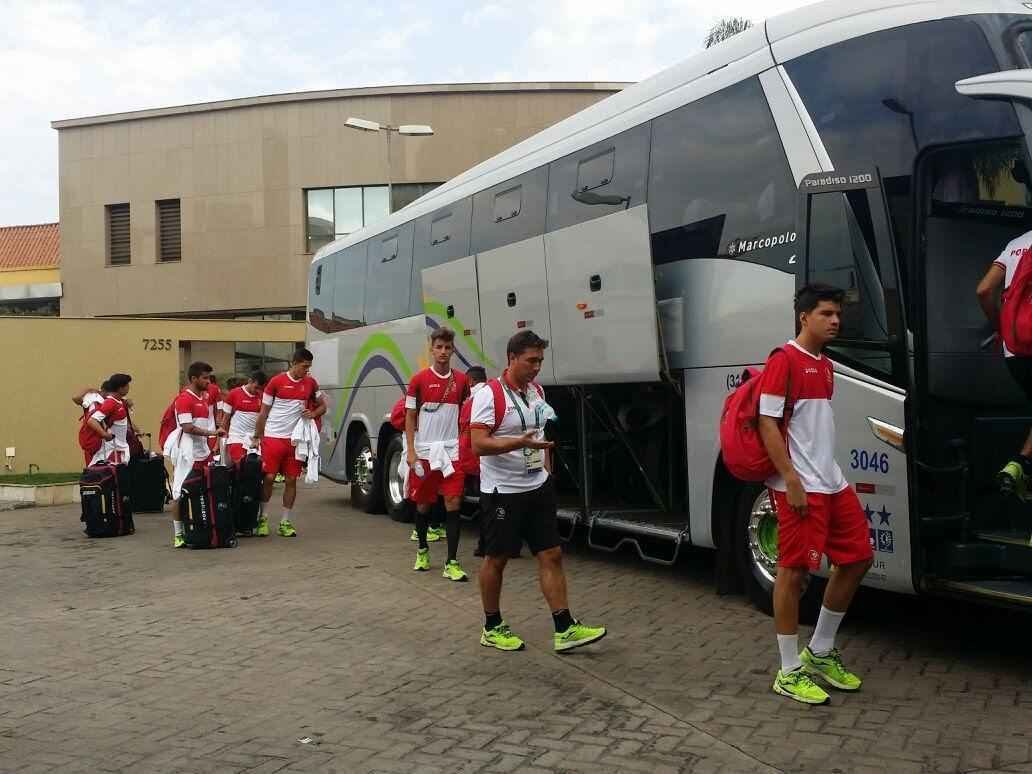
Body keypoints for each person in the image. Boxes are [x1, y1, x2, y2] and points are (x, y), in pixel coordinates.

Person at [758, 283, 874, 705]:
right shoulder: (783, 359)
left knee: (858, 557)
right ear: (804, 317)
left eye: (838, 314)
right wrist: (790, 479)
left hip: (831, 481)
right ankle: (788, 671)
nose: (835, 320)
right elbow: (766, 422)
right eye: (826, 313)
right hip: (801, 486)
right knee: (792, 573)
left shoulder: (824, 365)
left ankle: (820, 650)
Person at [471, 330, 606, 652]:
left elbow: (540, 433)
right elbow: (478, 444)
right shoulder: (489, 395)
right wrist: (517, 443)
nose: (536, 367)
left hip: (536, 486)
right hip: (502, 491)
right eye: (531, 360)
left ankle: (564, 628)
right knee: (497, 559)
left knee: (551, 554)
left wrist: (547, 471)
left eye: (540, 361)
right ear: (512, 358)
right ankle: (492, 626)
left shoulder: (536, 391)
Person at [405, 327, 469, 581]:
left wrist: (465, 444)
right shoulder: (418, 380)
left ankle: (451, 562)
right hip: (425, 452)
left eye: (448, 347)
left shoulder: (462, 381)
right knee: (423, 505)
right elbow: (410, 416)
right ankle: (422, 549)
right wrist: (411, 451)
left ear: (453, 350)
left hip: (451, 452)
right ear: (431, 348)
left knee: (453, 503)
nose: (443, 352)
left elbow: (467, 414)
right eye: (439, 347)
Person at [977, 236, 1032, 495]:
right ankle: (1021, 462)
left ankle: (1020, 464)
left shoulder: (1016, 244)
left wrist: (1002, 326)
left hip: (1015, 351)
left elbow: (984, 290)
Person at [253, 348, 326, 538]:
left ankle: (285, 522)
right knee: (268, 477)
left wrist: (314, 413)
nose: (306, 371)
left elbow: (323, 405)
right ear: (293, 363)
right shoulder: (276, 382)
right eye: (304, 367)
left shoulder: (310, 383)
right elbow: (263, 412)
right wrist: (257, 437)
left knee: (291, 480)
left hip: (295, 440)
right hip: (273, 437)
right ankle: (263, 518)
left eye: (309, 367)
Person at [168, 362, 226, 548]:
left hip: (203, 453)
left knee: (203, 490)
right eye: (205, 378)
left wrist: (214, 435)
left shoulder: (204, 397)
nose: (208, 381)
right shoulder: (184, 399)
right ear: (194, 379)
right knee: (179, 493)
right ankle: (178, 534)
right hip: (187, 454)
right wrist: (212, 434)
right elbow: (188, 427)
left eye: (209, 377)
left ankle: (200, 527)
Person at [85, 374, 134, 466]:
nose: (128, 388)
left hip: (120, 448)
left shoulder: (119, 402)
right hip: (112, 450)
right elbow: (92, 421)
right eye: (127, 385)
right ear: (120, 388)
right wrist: (105, 435)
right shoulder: (110, 403)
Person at [221, 372, 268, 463]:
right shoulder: (234, 394)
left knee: (255, 465)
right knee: (240, 463)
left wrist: (260, 438)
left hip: (254, 437)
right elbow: (225, 419)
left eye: (260, 389)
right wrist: (220, 442)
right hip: (237, 436)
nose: (257, 391)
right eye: (256, 387)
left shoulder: (261, 396)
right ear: (250, 381)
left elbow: (263, 419)